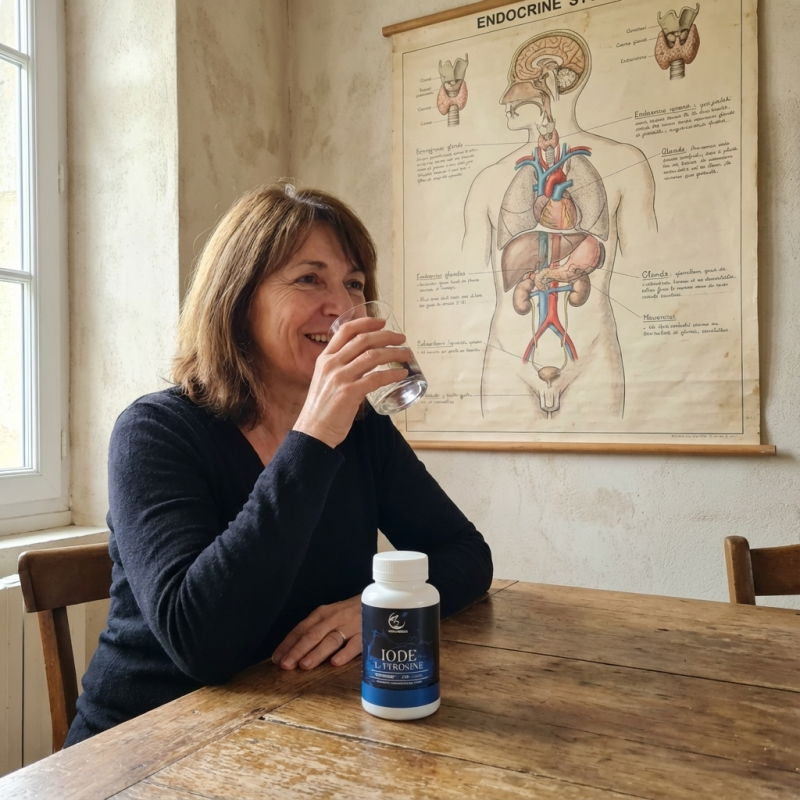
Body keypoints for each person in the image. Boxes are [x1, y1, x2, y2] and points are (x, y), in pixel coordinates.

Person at [65, 183, 493, 746]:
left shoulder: (362, 430)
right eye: (309, 278)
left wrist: (373, 611)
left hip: (293, 729)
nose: (340, 307)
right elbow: (202, 645)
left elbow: (467, 555)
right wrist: (313, 436)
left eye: (354, 283)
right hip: (144, 747)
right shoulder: (155, 432)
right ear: (239, 298)